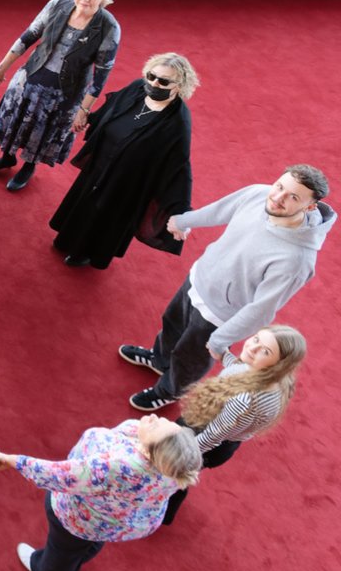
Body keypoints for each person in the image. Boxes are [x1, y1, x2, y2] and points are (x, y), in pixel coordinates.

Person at [118, 165, 332, 411]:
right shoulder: (258, 194)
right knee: (172, 325)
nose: (277, 197)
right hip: (198, 279)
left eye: (293, 197)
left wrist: (221, 340)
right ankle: (159, 359)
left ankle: (169, 391)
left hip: (218, 316)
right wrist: (183, 221)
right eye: (279, 186)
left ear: (310, 207)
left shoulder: (297, 260)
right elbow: (219, 210)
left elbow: (262, 309)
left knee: (190, 359)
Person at [0, 416, 202, 571]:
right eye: (164, 420)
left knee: (62, 550)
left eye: (156, 426)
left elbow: (60, 476)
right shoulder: (175, 468)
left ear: (151, 452)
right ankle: (76, 560)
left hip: (78, 518)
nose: (154, 417)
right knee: (86, 545)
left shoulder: (116, 466)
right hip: (115, 521)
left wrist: (12, 461)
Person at [0, 0, 121, 192]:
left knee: (44, 130)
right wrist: (1, 69)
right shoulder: (57, 4)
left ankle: (29, 166)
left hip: (66, 91)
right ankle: (7, 158)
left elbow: (101, 75)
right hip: (31, 75)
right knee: (15, 118)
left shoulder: (108, 26)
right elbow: (28, 36)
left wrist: (83, 110)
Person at [49, 53, 197, 269]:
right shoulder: (137, 88)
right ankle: (66, 240)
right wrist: (88, 118)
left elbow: (179, 167)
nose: (154, 83)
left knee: (106, 215)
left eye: (163, 81)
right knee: (86, 202)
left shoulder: (178, 123)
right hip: (100, 164)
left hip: (127, 181)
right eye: (151, 76)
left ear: (180, 85)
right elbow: (111, 109)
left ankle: (86, 253)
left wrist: (182, 214)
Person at [165, 324, 305, 524]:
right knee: (176, 474)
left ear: (279, 364)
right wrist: (224, 355)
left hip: (203, 437)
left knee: (174, 475)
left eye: (265, 351)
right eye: (256, 339)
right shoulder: (276, 376)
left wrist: (179, 453)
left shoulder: (244, 400)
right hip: (215, 427)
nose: (252, 348)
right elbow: (240, 368)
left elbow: (213, 435)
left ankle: (164, 511)